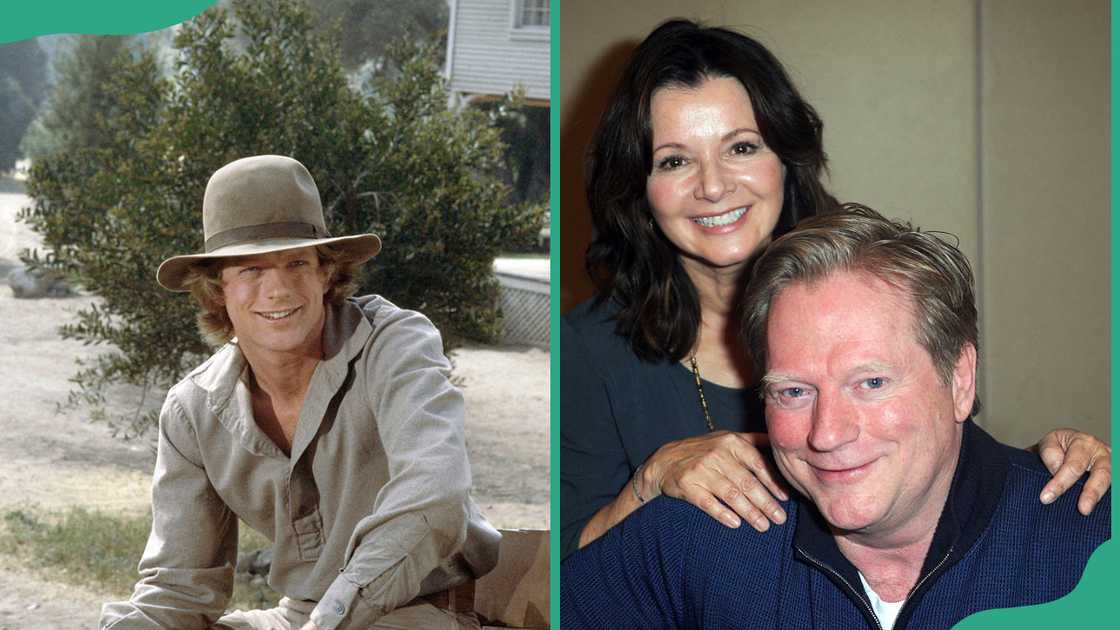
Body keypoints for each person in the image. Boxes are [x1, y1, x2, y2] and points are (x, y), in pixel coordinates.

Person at [559, 18, 1112, 560]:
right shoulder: (587, 350)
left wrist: (1042, 473)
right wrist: (653, 479)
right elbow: (566, 574)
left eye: (742, 148)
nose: (713, 185)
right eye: (675, 160)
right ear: (640, 189)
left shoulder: (872, 288)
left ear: (785, 159)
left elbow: (945, 471)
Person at [561, 205, 1110, 629]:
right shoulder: (701, 538)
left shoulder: (1092, 540)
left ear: (960, 378)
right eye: (794, 392)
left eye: (870, 383)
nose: (826, 434)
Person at [100, 155, 500, 629]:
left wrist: (330, 619)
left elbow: (435, 499)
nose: (279, 289)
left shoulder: (394, 345)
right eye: (250, 270)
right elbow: (179, 588)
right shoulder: (193, 410)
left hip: (428, 606)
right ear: (217, 288)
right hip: (303, 617)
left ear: (326, 273)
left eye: (296, 263)